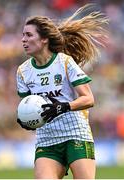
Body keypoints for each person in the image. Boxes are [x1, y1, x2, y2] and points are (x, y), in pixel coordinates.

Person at [16, 4, 109, 179]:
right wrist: (25, 119)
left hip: (76, 134)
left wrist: (62, 107)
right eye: (23, 35)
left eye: (28, 35)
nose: (23, 40)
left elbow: (88, 99)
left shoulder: (64, 62)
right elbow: (28, 106)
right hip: (47, 139)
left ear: (44, 39)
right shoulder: (22, 71)